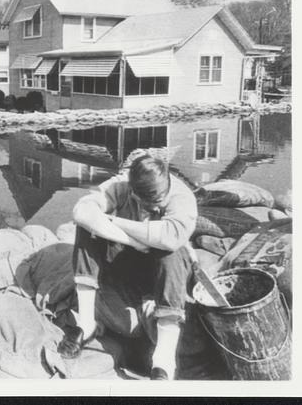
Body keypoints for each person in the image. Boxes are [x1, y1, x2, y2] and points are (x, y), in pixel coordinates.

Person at [57, 154, 197, 381]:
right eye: (144, 203)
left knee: (173, 252)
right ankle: (86, 323)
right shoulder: (121, 185)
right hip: (129, 260)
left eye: (157, 202)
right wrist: (132, 241)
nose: (151, 207)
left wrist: (117, 222)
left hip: (161, 270)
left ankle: (163, 359)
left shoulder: (182, 197)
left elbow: (171, 237)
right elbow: (82, 211)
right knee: (86, 228)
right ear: (132, 190)